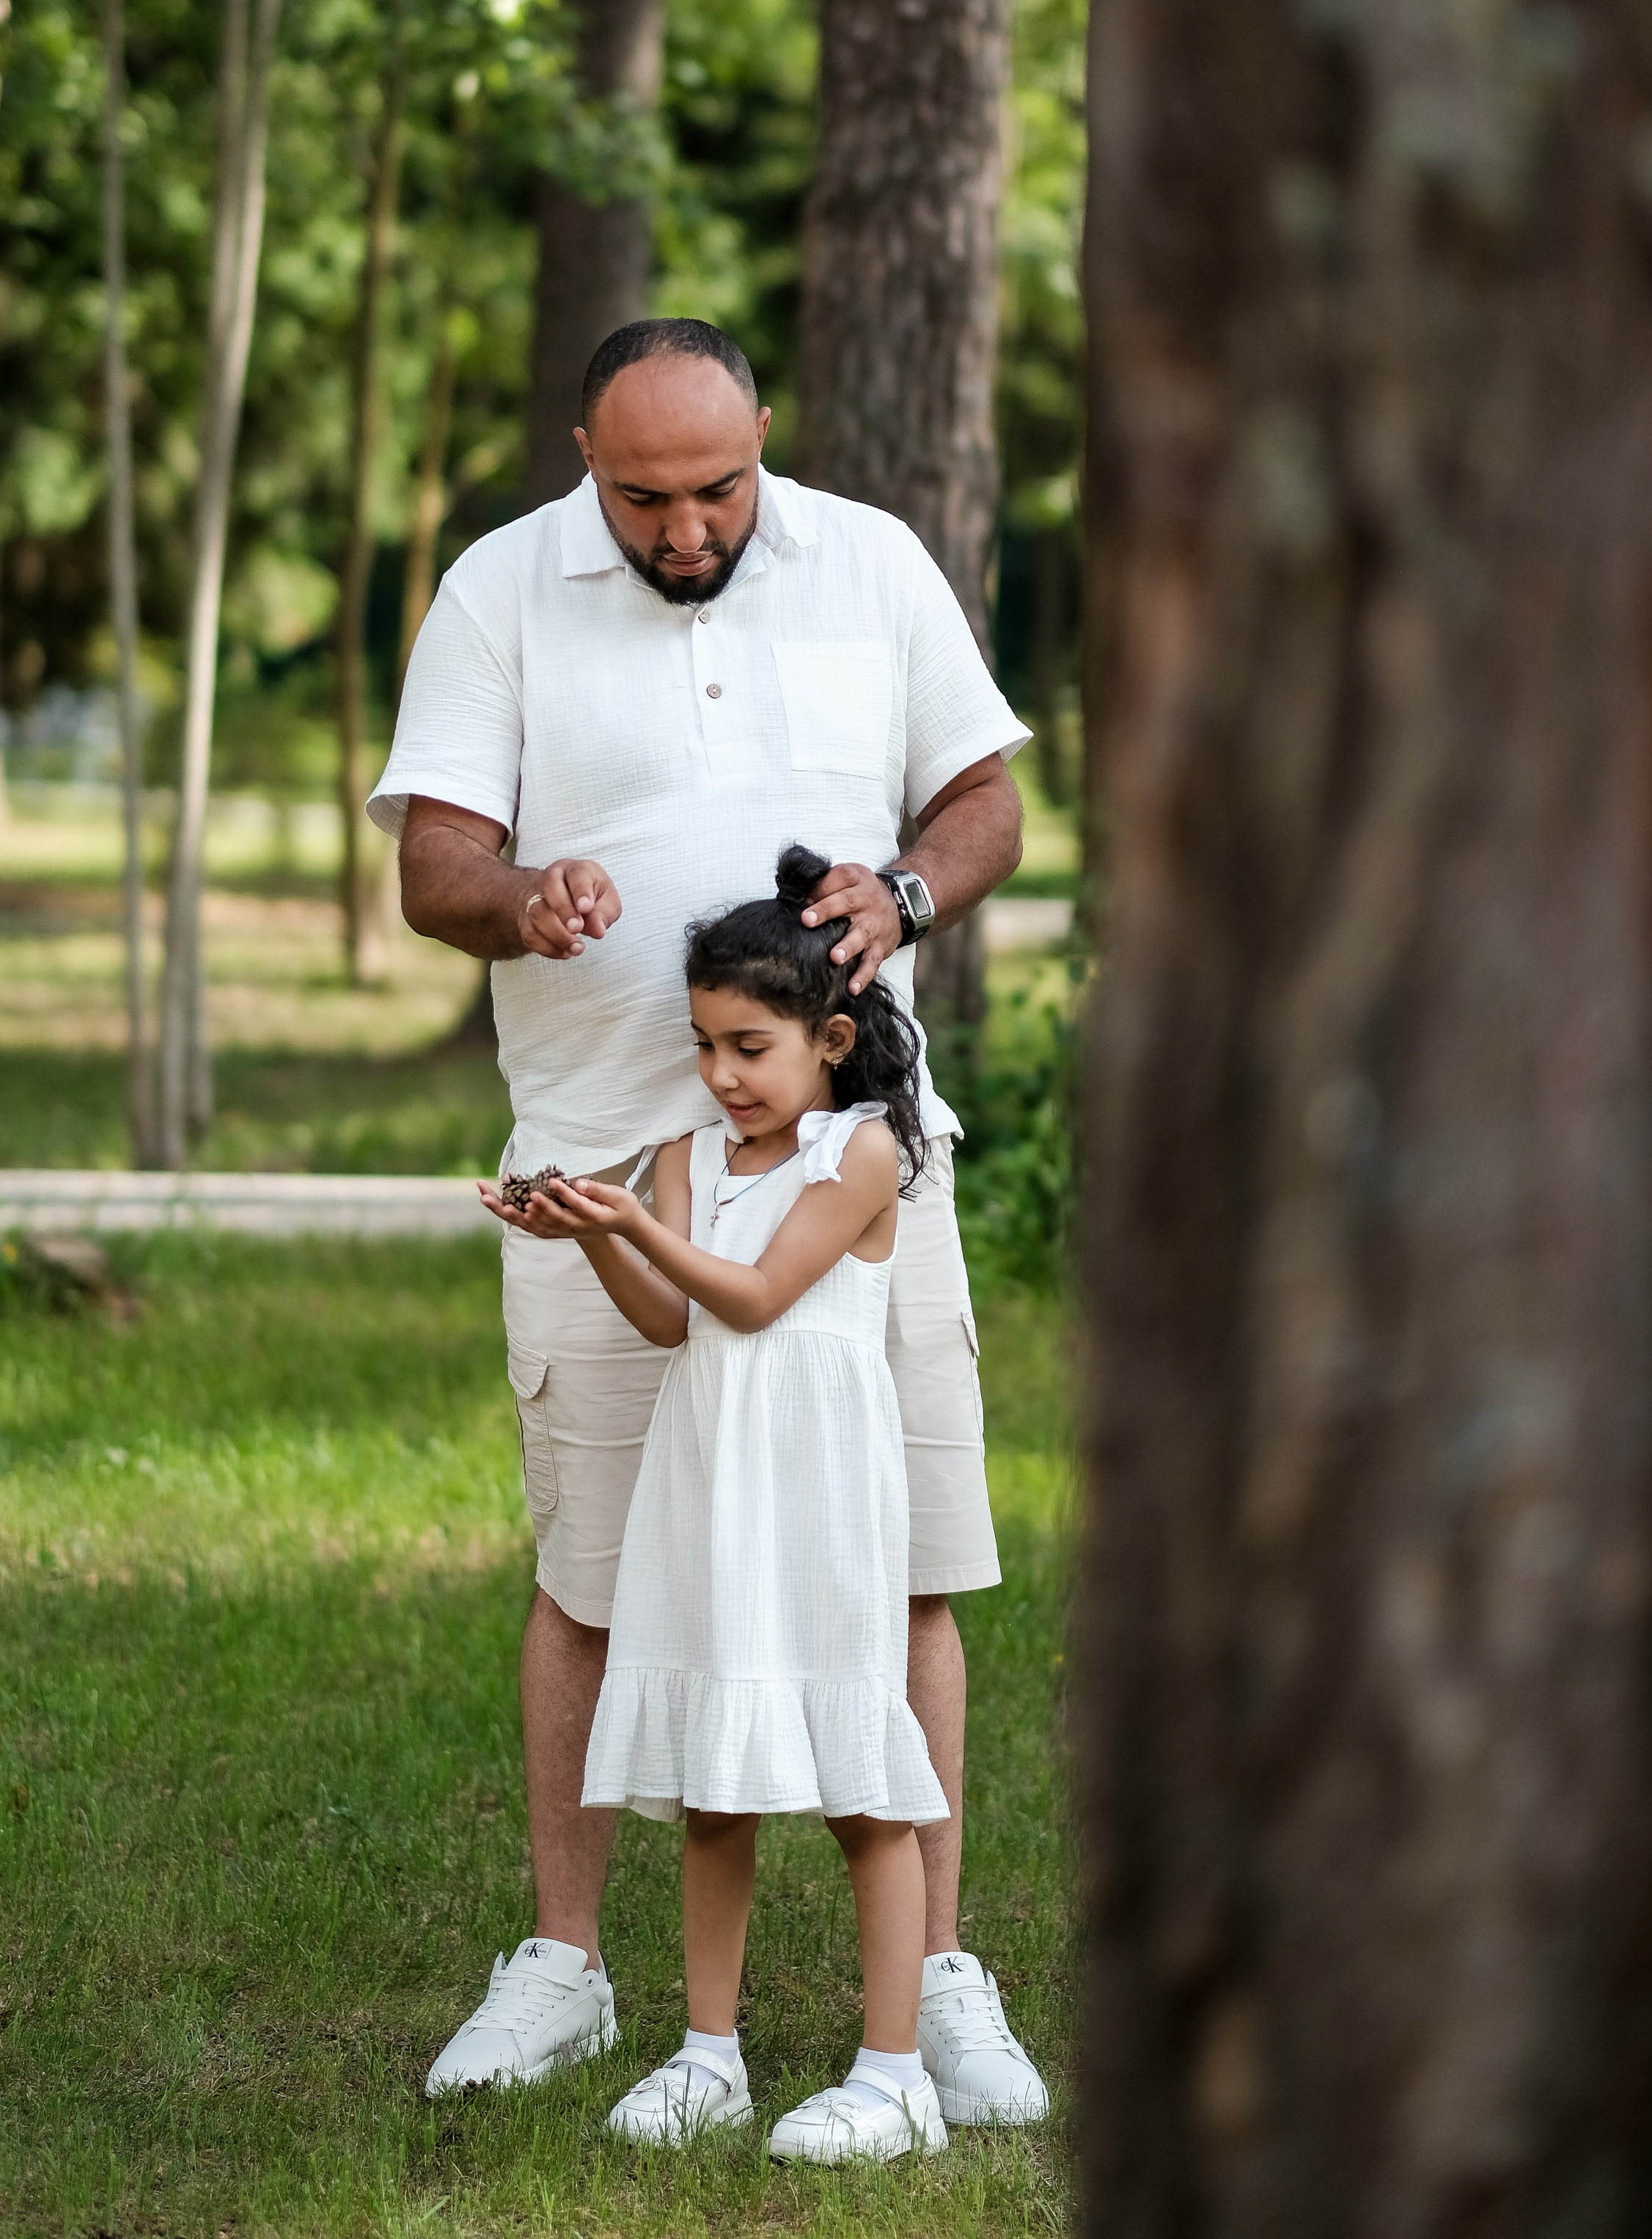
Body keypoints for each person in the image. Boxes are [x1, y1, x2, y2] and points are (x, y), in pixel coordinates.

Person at [369, 315, 1048, 2125]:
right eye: (640, 497)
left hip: (859, 1171)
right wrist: (522, 900)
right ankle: (572, 1972)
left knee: (901, 1564)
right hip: (606, 1148)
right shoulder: (499, 590)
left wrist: (902, 890)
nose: (681, 531)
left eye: (715, 488)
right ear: (584, 460)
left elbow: (984, 802)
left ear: (769, 435)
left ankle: (939, 1982)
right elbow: (432, 860)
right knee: (595, 1574)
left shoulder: (873, 565)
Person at [485, 846, 950, 2162]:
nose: (722, 1077)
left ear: (832, 1037)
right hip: (714, 1501)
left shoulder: (859, 1159)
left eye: (749, 1046)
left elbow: (756, 1297)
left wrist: (633, 1226)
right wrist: (591, 1230)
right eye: (703, 1048)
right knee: (714, 1793)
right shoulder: (690, 1159)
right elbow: (680, 1324)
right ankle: (709, 2056)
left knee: (863, 1785)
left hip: (815, 1508)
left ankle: (897, 2073)